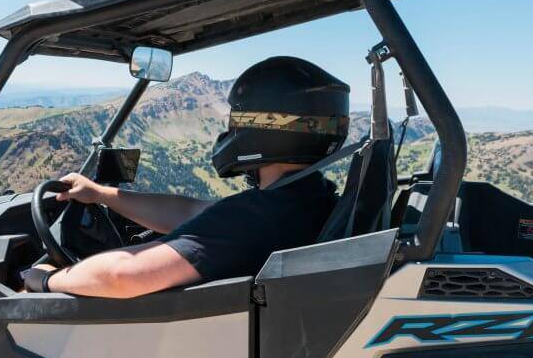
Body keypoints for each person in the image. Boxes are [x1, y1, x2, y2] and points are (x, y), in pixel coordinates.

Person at [22, 56, 349, 298]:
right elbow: (193, 213)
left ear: (264, 128)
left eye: (237, 119)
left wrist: (48, 280)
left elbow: (123, 275)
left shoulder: (256, 219)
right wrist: (101, 194)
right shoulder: (307, 198)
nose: (230, 130)